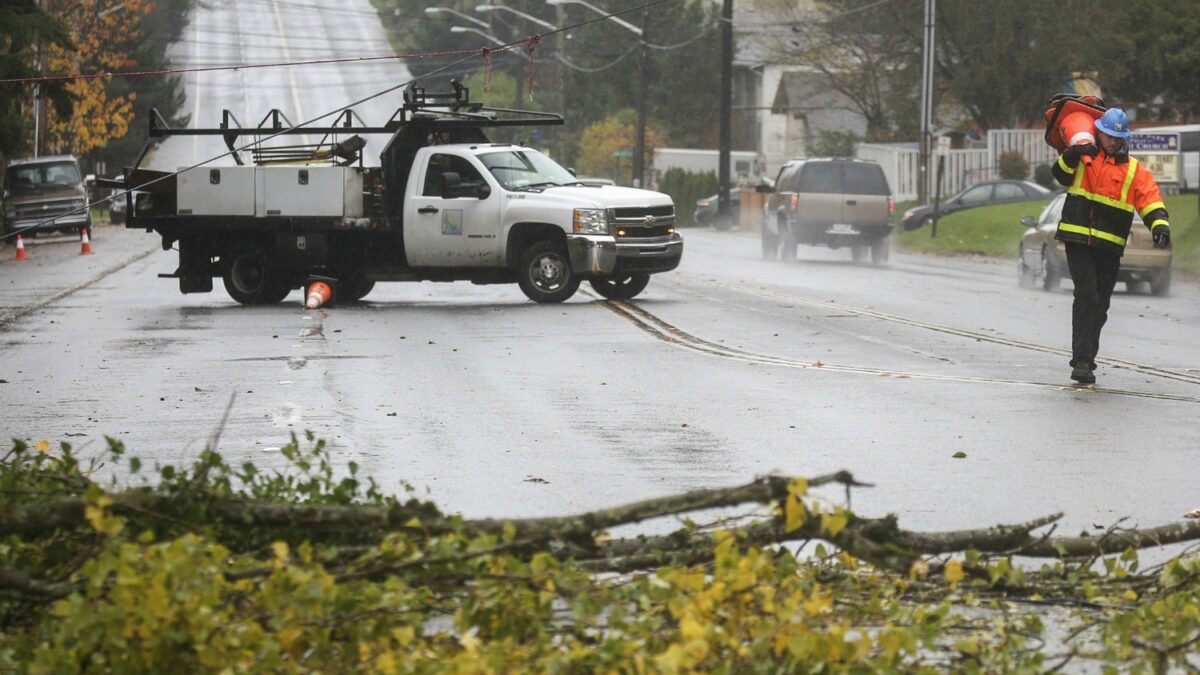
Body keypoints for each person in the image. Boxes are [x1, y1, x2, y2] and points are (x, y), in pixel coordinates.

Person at [1051, 107, 1171, 385]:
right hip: (1077, 239)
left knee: (1101, 304)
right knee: (1087, 295)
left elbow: (1149, 199)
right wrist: (1070, 155)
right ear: (1099, 133)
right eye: (1108, 136)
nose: (1113, 142)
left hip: (1109, 248)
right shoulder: (1083, 156)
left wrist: (1160, 225)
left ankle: (1088, 358)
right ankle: (1081, 360)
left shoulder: (1134, 170)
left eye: (1118, 138)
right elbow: (1059, 174)